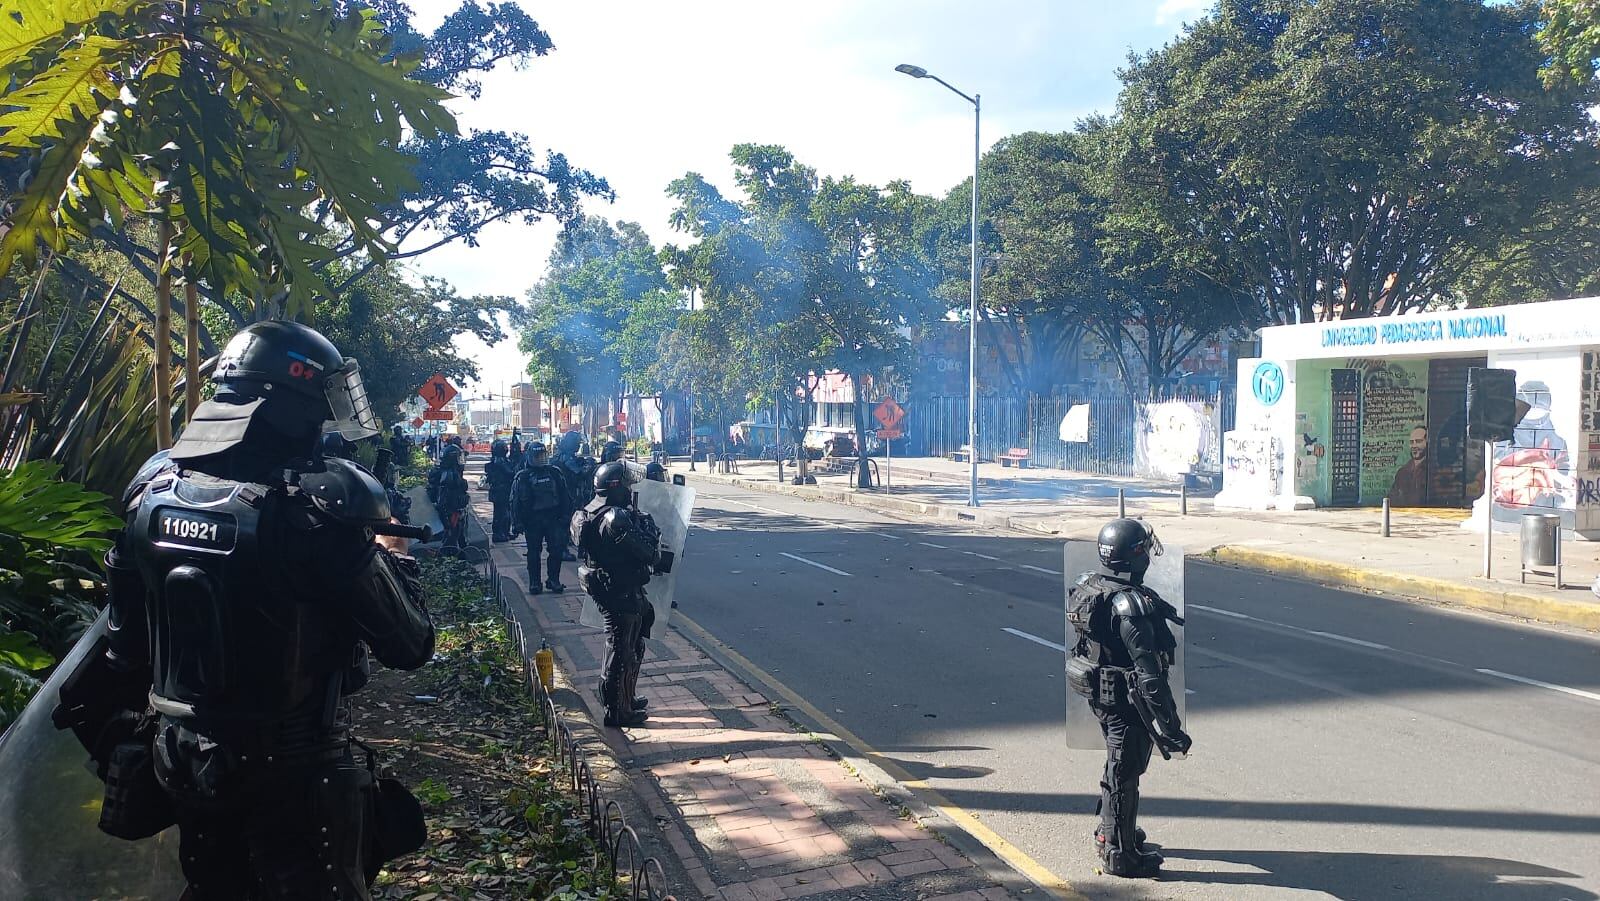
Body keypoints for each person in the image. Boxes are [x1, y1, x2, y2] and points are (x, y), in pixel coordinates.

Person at [52, 320, 434, 900]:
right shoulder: (317, 508)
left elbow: (124, 643)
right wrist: (393, 554)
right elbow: (410, 644)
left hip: (182, 762)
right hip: (298, 776)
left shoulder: (153, 487)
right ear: (293, 403)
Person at [1065, 517, 1189, 878]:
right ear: (1135, 555)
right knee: (1125, 774)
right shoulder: (1128, 606)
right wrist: (1171, 726)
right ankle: (1120, 854)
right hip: (1127, 702)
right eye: (1144, 549)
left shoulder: (1092, 587)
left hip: (1103, 696)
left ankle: (1111, 831)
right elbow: (1150, 677)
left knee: (1117, 766)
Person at [571, 462, 669, 727]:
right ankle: (616, 710)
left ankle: (626, 698)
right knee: (621, 648)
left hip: (613, 585)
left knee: (632, 642)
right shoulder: (615, 518)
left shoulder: (590, 511)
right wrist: (649, 531)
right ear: (616, 488)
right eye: (626, 484)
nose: (629, 489)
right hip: (618, 587)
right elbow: (649, 553)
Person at [510, 442, 572, 595]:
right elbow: (515, 501)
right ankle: (535, 583)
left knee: (556, 550)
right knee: (533, 552)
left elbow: (565, 496)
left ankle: (553, 580)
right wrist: (516, 523)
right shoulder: (522, 476)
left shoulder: (555, 473)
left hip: (553, 519)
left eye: (543, 455)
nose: (540, 459)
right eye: (537, 456)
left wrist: (566, 516)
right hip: (532, 521)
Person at [430, 443, 470, 554]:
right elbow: (445, 498)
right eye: (458, 457)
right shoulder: (449, 475)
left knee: (459, 538)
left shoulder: (447, 472)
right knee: (451, 541)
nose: (460, 460)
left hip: (454, 511)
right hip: (452, 512)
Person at [483, 438, 516, 543]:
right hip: (500, 490)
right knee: (500, 514)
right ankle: (498, 533)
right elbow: (510, 472)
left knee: (506, 513)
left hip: (504, 490)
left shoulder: (502, 460)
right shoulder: (498, 461)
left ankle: (505, 532)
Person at [1388, 425, 1429, 506]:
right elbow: (1392, 499)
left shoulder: (1432, 469)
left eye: (1418, 441)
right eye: (1411, 442)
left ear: (1427, 442)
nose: (1414, 446)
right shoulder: (1402, 472)